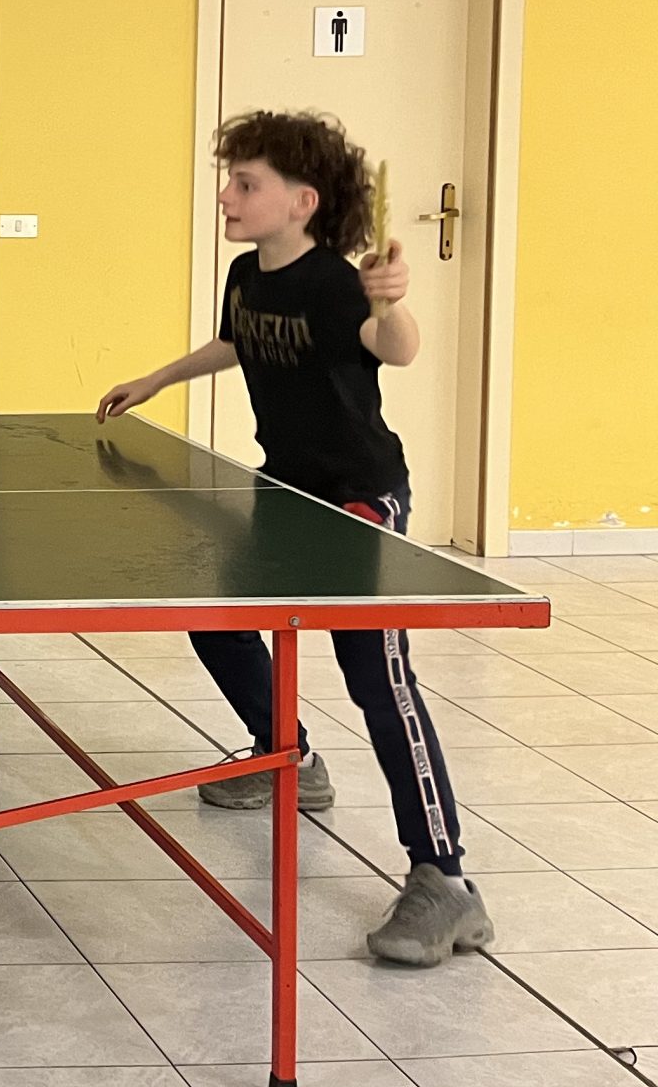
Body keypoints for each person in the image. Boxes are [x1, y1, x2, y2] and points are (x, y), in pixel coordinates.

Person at [98, 109, 486, 968]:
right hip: (285, 490)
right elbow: (236, 343)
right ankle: (292, 759)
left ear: (302, 202)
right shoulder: (248, 274)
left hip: (358, 502)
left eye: (247, 184)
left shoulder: (337, 286)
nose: (227, 196)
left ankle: (447, 879)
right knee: (218, 623)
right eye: (229, 181)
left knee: (376, 677)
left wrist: (393, 303)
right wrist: (157, 378)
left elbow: (394, 347)